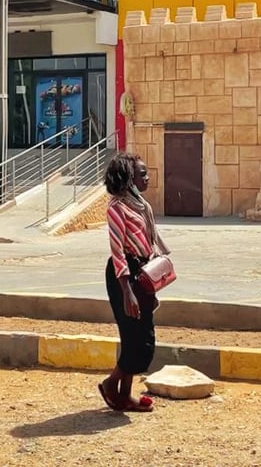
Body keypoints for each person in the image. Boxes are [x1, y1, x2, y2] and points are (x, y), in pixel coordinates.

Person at [98, 152, 170, 413]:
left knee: (142, 334)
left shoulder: (140, 204)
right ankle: (111, 385)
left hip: (140, 270)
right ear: (128, 178)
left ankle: (124, 395)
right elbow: (117, 252)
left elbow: (148, 241)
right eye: (142, 173)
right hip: (123, 276)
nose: (147, 177)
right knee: (134, 337)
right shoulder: (117, 208)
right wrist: (127, 291)